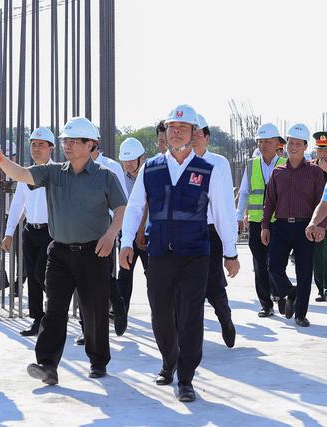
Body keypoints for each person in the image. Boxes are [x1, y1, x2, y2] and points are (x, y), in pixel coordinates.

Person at [0, 116, 127, 385]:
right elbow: (22, 174)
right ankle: (47, 364)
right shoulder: (52, 172)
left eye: (74, 141)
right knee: (55, 310)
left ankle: (98, 361)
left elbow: (121, 207)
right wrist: (1, 161)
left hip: (94, 253)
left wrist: (111, 235)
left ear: (90, 145)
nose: (68, 146)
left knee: (94, 310)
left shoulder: (104, 176)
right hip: (60, 253)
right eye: (65, 141)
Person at [120, 104, 240, 402]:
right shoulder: (152, 167)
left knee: (190, 315)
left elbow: (223, 212)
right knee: (161, 313)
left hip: (195, 252)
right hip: (159, 250)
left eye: (182, 129)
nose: (175, 133)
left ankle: (186, 377)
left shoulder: (207, 170)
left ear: (193, 133)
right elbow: (135, 206)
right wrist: (125, 242)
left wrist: (230, 252)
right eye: (172, 128)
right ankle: (168, 360)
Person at [261, 123, 326, 328]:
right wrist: (264, 225)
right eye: (291, 143)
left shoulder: (315, 172)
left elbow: (321, 202)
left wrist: (320, 225)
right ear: (286, 144)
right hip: (280, 227)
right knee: (273, 267)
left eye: (298, 143)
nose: (293, 147)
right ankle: (291, 292)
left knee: (305, 271)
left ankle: (301, 314)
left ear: (305, 147)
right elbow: (269, 200)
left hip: (305, 228)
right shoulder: (278, 172)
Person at [1, 127, 55, 336]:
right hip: (31, 231)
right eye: (33, 144)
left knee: (42, 274)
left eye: (41, 144)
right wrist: (9, 232)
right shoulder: (26, 174)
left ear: (51, 148)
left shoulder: (58, 172)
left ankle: (54, 313)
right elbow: (17, 204)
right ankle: (37, 319)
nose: (37, 148)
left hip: (51, 233)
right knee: (32, 277)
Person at [192, 114, 237, 348]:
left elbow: (227, 206)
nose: (194, 140)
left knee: (214, 287)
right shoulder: (179, 162)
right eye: (191, 134)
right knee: (187, 290)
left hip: (211, 232)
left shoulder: (219, 163)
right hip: (186, 232)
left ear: (207, 138)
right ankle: (190, 340)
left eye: (198, 135)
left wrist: (231, 247)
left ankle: (226, 321)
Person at [236, 123, 287, 317]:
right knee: (259, 265)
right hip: (257, 222)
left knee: (274, 263)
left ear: (277, 143)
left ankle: (280, 294)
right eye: (260, 141)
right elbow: (244, 192)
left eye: (268, 141)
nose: (263, 145)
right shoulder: (251, 165)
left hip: (278, 223)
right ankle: (266, 304)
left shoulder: (285, 164)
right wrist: (239, 217)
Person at [112, 137, 148, 336]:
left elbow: (145, 206)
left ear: (141, 158)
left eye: (131, 160)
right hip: (125, 236)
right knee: (124, 276)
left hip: (146, 235)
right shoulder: (119, 177)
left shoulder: (149, 174)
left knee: (153, 277)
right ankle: (121, 315)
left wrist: (141, 232)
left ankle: (160, 315)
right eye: (124, 161)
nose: (127, 164)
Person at [0, 140, 22, 295]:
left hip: (17, 218)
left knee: (19, 254)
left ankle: (18, 283)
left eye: (10, 156)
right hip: (0, 217)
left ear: (15, 157)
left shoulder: (20, 173)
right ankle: (2, 279)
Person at [310, 131, 327, 302]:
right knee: (318, 256)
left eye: (325, 150)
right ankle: (321, 288)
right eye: (319, 150)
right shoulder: (311, 167)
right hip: (316, 218)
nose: (321, 154)